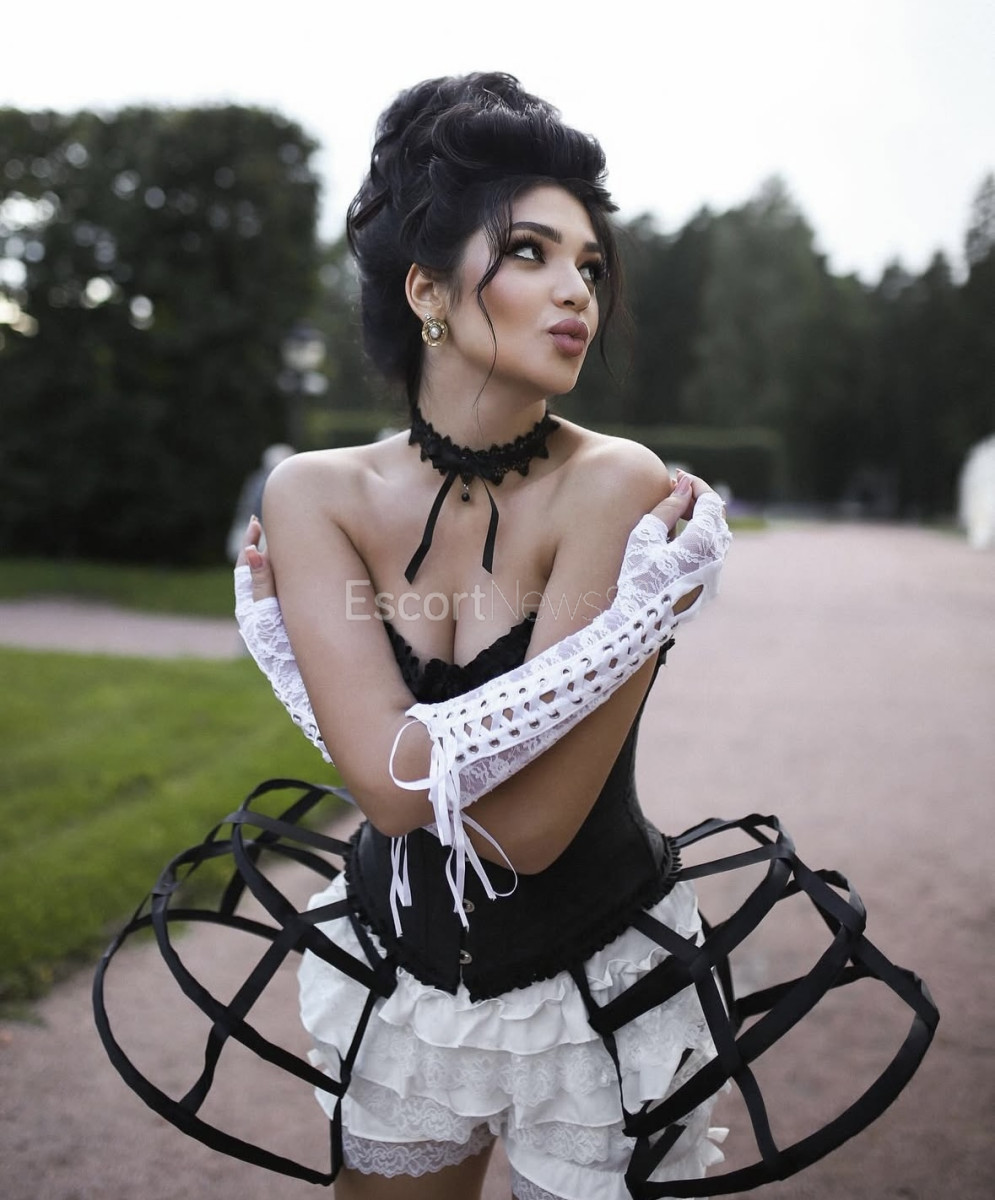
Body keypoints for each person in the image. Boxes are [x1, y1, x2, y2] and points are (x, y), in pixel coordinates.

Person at [95, 71, 935, 1200]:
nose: (575, 289)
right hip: (397, 989)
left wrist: (624, 630)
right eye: (531, 253)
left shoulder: (615, 484)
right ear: (426, 290)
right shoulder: (313, 495)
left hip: (598, 997)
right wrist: (634, 627)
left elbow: (527, 835)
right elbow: (388, 793)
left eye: (589, 264)